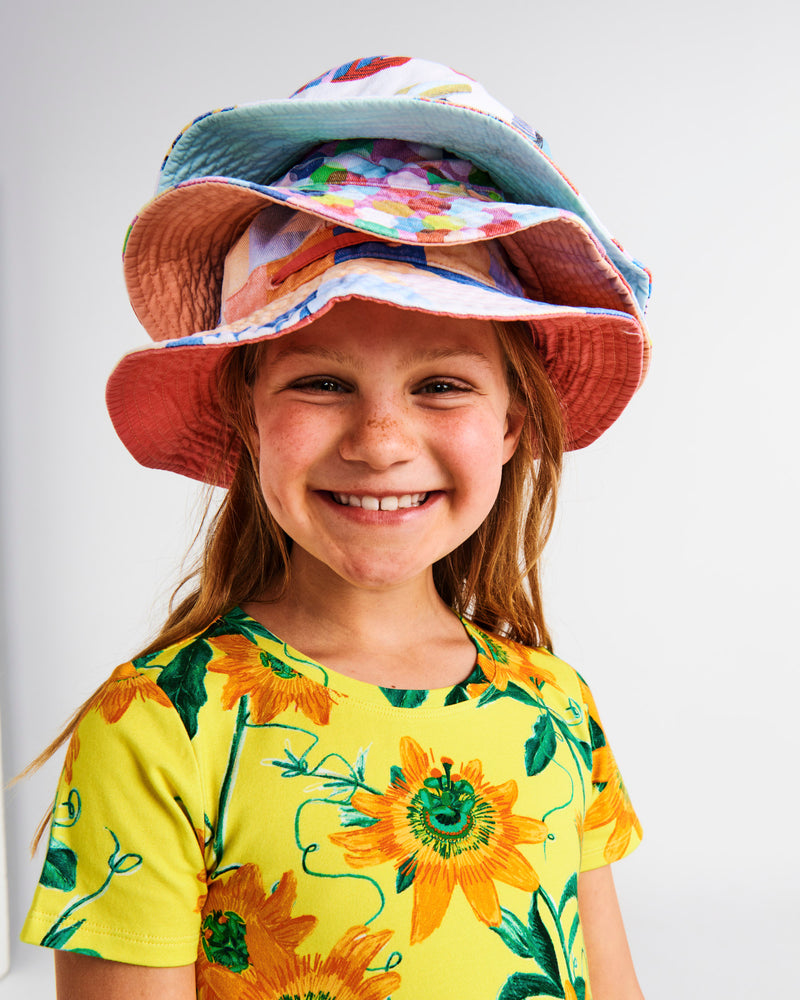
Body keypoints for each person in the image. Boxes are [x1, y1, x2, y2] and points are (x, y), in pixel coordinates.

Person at [21, 57, 651, 999]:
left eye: (441, 384)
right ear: (247, 418)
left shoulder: (554, 707)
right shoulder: (161, 724)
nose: (381, 440)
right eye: (320, 381)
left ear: (514, 423)